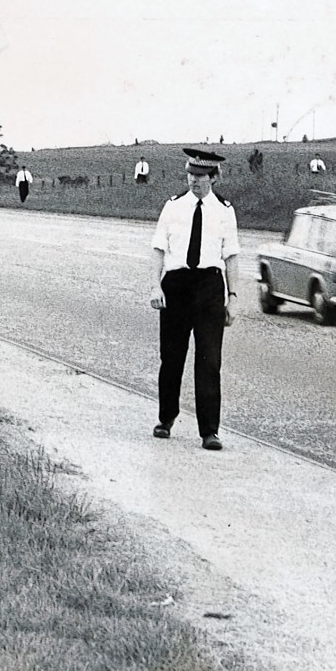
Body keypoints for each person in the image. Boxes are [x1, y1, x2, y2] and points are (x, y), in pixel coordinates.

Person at [149, 148, 239, 450]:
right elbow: (159, 249)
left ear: (213, 177)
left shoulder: (225, 210)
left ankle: (209, 430)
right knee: (172, 357)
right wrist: (155, 286)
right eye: (190, 175)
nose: (194, 181)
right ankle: (166, 418)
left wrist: (233, 297)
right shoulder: (173, 206)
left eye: (200, 176)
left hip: (210, 287)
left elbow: (232, 257)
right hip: (176, 285)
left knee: (209, 361)